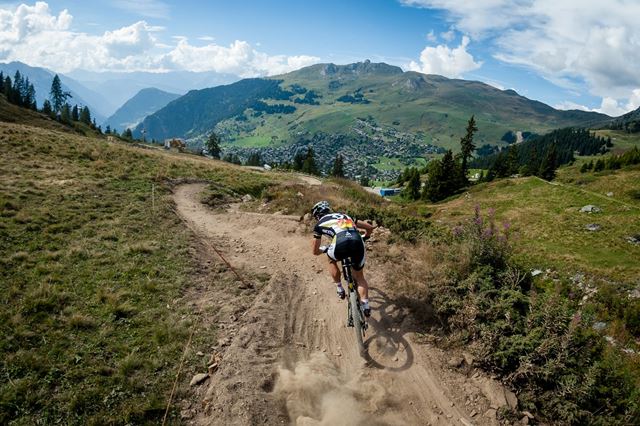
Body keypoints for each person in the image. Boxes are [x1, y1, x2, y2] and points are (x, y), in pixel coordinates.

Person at [310, 200, 375, 316]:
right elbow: (370, 228)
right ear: (329, 210)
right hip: (357, 241)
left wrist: (324, 249)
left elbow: (315, 251)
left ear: (317, 215)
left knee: (331, 260)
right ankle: (365, 305)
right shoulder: (345, 216)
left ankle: (339, 288)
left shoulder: (319, 224)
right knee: (360, 277)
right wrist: (365, 236)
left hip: (339, 243)